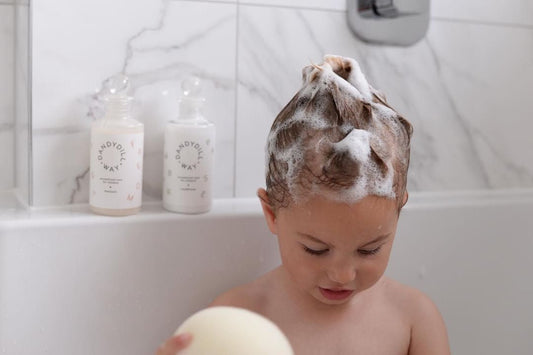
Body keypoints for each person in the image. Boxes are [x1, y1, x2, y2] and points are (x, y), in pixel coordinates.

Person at [156, 55, 450, 355]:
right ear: (271, 213)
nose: (342, 274)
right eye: (316, 249)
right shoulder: (238, 317)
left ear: (399, 214)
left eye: (369, 249)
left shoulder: (414, 319)